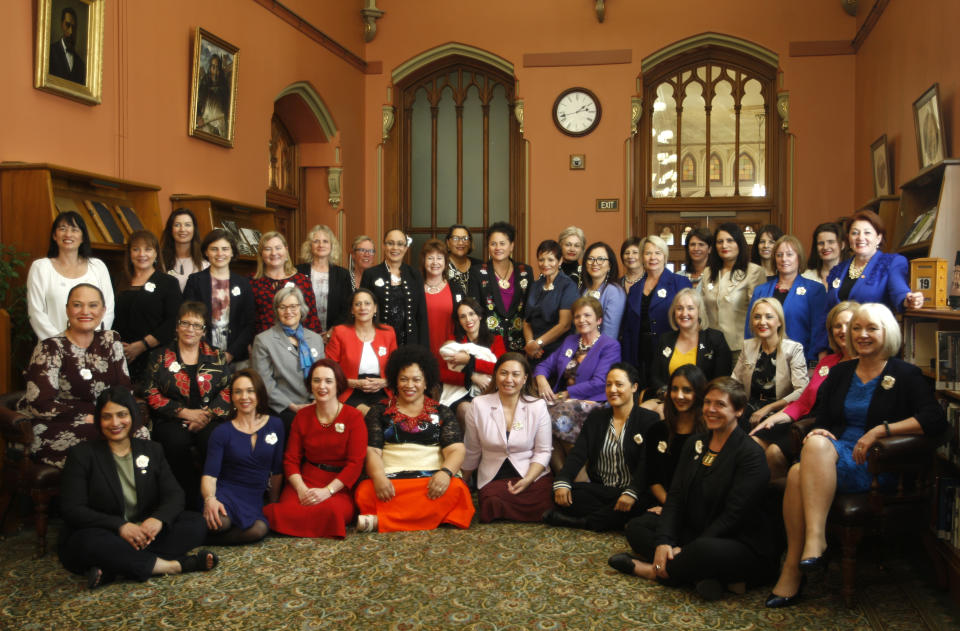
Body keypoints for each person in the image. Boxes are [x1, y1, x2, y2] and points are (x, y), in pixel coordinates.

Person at [765, 303, 947, 607]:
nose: (862, 334)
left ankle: (799, 563)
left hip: (876, 463)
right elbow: (823, 416)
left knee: (800, 470)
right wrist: (819, 431)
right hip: (833, 455)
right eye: (856, 329)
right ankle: (806, 553)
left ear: (887, 332)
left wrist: (880, 431)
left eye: (871, 328)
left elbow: (934, 420)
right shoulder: (841, 372)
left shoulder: (906, 374)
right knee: (810, 454)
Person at [611, 378, 777, 602]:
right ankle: (704, 577)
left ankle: (652, 571)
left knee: (704, 550)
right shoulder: (695, 443)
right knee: (638, 527)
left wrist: (688, 549)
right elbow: (676, 497)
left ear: (738, 410)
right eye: (707, 403)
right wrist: (664, 542)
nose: (710, 410)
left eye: (719, 404)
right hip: (697, 527)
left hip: (738, 541)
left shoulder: (750, 455)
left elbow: (734, 516)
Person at [58, 387, 215, 590]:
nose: (115, 423)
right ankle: (174, 566)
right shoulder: (82, 455)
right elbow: (73, 509)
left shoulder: (152, 450)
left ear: (132, 416)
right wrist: (120, 526)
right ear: (99, 421)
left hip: (143, 530)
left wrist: (157, 519)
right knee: (87, 542)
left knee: (195, 523)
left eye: (122, 415)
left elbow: (175, 495)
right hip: (105, 532)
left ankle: (114, 568)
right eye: (107, 417)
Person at [18, 283, 146, 469]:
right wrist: (87, 417)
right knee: (99, 441)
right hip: (60, 423)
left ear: (102, 311)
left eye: (93, 305)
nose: (85, 311)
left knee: (140, 434)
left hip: (107, 418)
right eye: (77, 305)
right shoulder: (50, 348)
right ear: (67, 309)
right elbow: (40, 404)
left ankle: (132, 495)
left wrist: (111, 417)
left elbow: (124, 391)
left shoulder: (111, 340)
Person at [354, 346, 475, 533]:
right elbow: (373, 451)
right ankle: (430, 517)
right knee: (365, 492)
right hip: (392, 481)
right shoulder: (379, 411)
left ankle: (385, 521)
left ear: (426, 383)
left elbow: (456, 450)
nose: (409, 385)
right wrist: (378, 477)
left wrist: (445, 473)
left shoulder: (442, 411)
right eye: (403, 379)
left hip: (431, 479)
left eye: (416, 379)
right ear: (395, 381)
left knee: (458, 489)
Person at [543, 364, 659, 531]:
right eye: (608, 384)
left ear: (634, 387)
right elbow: (578, 453)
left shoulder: (649, 420)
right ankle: (615, 519)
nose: (612, 389)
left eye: (619, 384)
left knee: (643, 502)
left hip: (634, 490)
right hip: (602, 490)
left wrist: (631, 492)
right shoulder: (597, 417)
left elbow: (647, 464)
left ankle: (584, 522)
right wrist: (563, 480)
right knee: (560, 492)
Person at [750, 301, 859, 478]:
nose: (842, 330)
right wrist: (774, 418)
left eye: (849, 325)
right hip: (802, 418)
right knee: (753, 442)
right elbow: (804, 401)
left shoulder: (864, 365)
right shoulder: (827, 362)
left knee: (774, 452)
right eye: (837, 326)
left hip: (823, 426)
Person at [264, 360, 367, 538]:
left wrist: (327, 492)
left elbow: (355, 464)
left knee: (332, 511)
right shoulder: (302, 416)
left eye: (328, 381)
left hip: (338, 485)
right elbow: (291, 459)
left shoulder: (354, 417)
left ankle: (303, 525)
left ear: (338, 384)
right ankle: (312, 524)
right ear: (310, 384)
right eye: (316, 380)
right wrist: (301, 488)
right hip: (305, 481)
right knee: (283, 511)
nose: (322, 386)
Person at [145, 301, 233, 506]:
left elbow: (229, 389)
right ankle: (184, 499)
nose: (190, 329)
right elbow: (150, 392)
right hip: (171, 418)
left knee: (213, 439)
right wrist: (184, 413)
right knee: (176, 442)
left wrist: (208, 414)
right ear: (176, 326)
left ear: (204, 331)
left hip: (209, 417)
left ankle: (216, 497)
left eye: (196, 325)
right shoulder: (159, 356)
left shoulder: (217, 356)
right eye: (185, 323)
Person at [462, 353, 554, 522]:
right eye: (503, 373)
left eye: (515, 374)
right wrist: (463, 484)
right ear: (495, 375)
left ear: (525, 378)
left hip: (530, 473)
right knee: (492, 501)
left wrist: (528, 480)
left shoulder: (537, 406)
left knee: (547, 498)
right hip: (494, 475)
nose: (509, 379)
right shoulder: (478, 405)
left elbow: (543, 451)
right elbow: (472, 450)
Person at [534, 296, 621, 463]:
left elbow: (600, 382)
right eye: (577, 316)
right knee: (534, 410)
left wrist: (567, 394)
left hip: (593, 403)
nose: (582, 320)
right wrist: (541, 379)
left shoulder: (609, 345)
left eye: (587, 315)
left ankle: (574, 474)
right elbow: (545, 365)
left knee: (551, 417)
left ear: (599, 320)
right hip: (564, 401)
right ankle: (563, 476)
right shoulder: (571, 341)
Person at [202, 370, 284, 544]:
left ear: (259, 394)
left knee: (259, 530)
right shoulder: (221, 432)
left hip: (254, 495)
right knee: (221, 522)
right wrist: (210, 499)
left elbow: (277, 470)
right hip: (226, 492)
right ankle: (201, 532)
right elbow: (209, 475)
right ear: (231, 397)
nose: (244, 397)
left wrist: (273, 503)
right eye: (238, 392)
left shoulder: (276, 425)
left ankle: (206, 540)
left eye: (250, 391)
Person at [27, 211, 114, 340]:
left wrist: (89, 341)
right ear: (54, 236)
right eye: (62, 229)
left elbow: (108, 310)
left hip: (92, 348)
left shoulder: (98, 266)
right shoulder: (41, 267)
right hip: (53, 348)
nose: (68, 234)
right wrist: (62, 344)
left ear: (83, 237)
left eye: (74, 230)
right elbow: (36, 313)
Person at [114, 230, 183, 387]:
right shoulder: (118, 280)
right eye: (136, 249)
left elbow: (173, 321)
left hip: (155, 356)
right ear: (129, 253)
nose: (141, 254)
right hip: (120, 356)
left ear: (156, 253)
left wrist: (142, 345)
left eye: (148, 249)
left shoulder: (168, 282)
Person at [251, 286, 325, 430]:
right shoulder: (263, 340)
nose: (288, 311)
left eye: (293, 306)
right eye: (282, 307)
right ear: (276, 311)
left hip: (317, 403)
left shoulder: (316, 338)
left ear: (301, 308)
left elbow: (323, 374)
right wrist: (292, 406)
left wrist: (317, 401)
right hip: (282, 408)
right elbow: (264, 382)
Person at [746, 235, 828, 364]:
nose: (784, 259)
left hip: (800, 361)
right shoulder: (760, 291)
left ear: (799, 258)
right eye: (779, 255)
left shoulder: (814, 290)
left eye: (789, 254)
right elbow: (750, 328)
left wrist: (814, 364)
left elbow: (819, 331)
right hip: (763, 360)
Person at [620, 235, 692, 383]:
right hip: (639, 352)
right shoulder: (635, 289)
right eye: (648, 253)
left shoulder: (679, 282)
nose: (653, 257)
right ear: (641, 257)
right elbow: (628, 327)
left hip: (670, 349)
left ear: (665, 256)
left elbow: (691, 321)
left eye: (658, 253)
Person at [825, 210, 924, 313]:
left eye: (867, 232)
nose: (860, 237)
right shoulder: (838, 269)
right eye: (855, 233)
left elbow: (900, 293)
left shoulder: (892, 263)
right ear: (848, 238)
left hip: (872, 327)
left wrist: (910, 300)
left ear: (878, 238)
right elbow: (828, 308)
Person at [731, 298, 808, 431]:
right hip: (749, 409)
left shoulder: (793, 349)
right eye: (757, 317)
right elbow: (735, 381)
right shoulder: (748, 346)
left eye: (769, 317)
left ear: (779, 322)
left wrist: (768, 408)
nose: (762, 322)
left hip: (779, 413)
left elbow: (802, 390)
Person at [182, 229, 255, 363]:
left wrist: (231, 354)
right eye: (214, 249)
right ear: (206, 252)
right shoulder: (195, 281)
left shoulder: (244, 283)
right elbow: (189, 318)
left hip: (237, 358)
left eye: (225, 249)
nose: (220, 253)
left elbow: (250, 323)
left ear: (232, 252)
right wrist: (211, 351)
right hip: (202, 355)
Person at [645, 365, 708, 513]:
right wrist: (671, 508)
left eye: (687, 390)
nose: (679, 396)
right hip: (666, 504)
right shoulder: (657, 430)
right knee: (637, 528)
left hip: (697, 508)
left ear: (698, 393)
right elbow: (654, 479)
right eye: (674, 389)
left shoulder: (708, 433)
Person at [699, 222, 766, 360]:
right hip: (712, 347)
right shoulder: (708, 272)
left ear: (739, 244)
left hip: (740, 348)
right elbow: (702, 309)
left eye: (730, 240)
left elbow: (759, 311)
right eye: (720, 241)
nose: (724, 245)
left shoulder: (754, 272)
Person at [324, 289, 397, 414]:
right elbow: (328, 370)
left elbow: (397, 368)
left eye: (367, 303)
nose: (363, 307)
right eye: (357, 304)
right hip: (349, 390)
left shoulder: (388, 332)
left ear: (375, 308)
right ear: (352, 310)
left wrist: (384, 382)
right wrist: (354, 383)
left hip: (381, 389)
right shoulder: (340, 332)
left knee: (384, 415)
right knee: (370, 414)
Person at [649, 289, 732, 396]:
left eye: (690, 308)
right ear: (674, 312)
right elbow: (655, 376)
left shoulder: (715, 339)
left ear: (699, 311)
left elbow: (722, 381)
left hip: (703, 403)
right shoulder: (665, 339)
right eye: (679, 308)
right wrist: (667, 395)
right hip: (669, 400)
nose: (684, 313)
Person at [468, 222, 533, 352]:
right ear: (488, 247)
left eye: (502, 243)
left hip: (519, 343)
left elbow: (530, 310)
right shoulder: (478, 272)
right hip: (488, 344)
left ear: (511, 246)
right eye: (493, 244)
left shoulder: (524, 271)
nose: (498, 248)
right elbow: (474, 309)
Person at [438, 297, 508, 414]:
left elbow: (502, 368)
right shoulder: (453, 343)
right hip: (462, 392)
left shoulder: (496, 340)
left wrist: (469, 361)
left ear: (479, 316)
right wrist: (471, 378)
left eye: (471, 314)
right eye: (463, 316)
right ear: (459, 321)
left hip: (490, 391)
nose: (468, 319)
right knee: (466, 409)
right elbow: (442, 373)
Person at [361, 229, 429, 347]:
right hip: (377, 340)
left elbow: (421, 315)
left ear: (406, 248)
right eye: (390, 243)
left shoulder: (414, 274)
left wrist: (423, 349)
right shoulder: (371, 274)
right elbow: (362, 311)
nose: (395, 248)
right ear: (383, 246)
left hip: (409, 342)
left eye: (400, 244)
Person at [250, 231, 322, 335]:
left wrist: (313, 344)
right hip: (263, 344)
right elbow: (246, 319)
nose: (274, 253)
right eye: (268, 249)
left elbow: (312, 318)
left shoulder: (302, 281)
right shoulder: (251, 282)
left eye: (278, 248)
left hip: (297, 343)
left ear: (286, 250)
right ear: (261, 254)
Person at [522, 240, 577, 362]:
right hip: (533, 350)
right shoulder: (535, 286)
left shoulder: (568, 286)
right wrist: (531, 344)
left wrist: (538, 344)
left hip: (557, 349)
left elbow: (564, 325)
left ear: (560, 261)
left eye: (551, 260)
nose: (545, 264)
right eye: (541, 259)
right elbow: (527, 321)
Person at [296, 225, 353, 334]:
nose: (321, 245)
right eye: (316, 241)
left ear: (332, 246)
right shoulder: (298, 271)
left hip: (334, 333)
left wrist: (332, 331)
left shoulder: (342, 274)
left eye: (325, 241)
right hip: (302, 332)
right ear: (309, 246)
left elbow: (347, 307)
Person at [421, 239, 462, 363]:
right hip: (423, 351)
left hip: (451, 352)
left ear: (445, 261)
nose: (435, 262)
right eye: (430, 258)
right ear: (424, 261)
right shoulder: (415, 288)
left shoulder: (456, 288)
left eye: (439, 258)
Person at [580, 241, 626, 340]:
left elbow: (610, 334)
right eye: (591, 259)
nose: (594, 263)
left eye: (600, 259)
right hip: (580, 347)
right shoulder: (584, 289)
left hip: (602, 351)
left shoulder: (614, 292)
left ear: (610, 265)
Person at [159, 209, 209, 292]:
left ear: (194, 229)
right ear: (170, 229)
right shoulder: (161, 260)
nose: (182, 229)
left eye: (187, 225)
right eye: (177, 225)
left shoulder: (205, 261)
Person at [801, 222, 844, 289]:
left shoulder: (849, 275)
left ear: (842, 245)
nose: (825, 247)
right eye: (821, 243)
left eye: (831, 242)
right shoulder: (807, 277)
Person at [49, 7, 86, 83]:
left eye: (74, 27)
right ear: (62, 24)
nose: (71, 31)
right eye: (67, 25)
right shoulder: (50, 52)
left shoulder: (81, 64)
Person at [196, 54, 230, 137]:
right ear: (210, 67)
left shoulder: (223, 85)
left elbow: (225, 106)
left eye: (217, 68)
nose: (215, 71)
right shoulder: (204, 82)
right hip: (205, 121)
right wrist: (198, 117)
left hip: (219, 123)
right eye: (213, 67)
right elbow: (199, 102)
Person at [445, 224, 481, 296]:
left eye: (465, 238)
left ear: (470, 242)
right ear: (448, 243)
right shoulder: (440, 266)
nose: (461, 243)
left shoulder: (479, 266)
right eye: (455, 238)